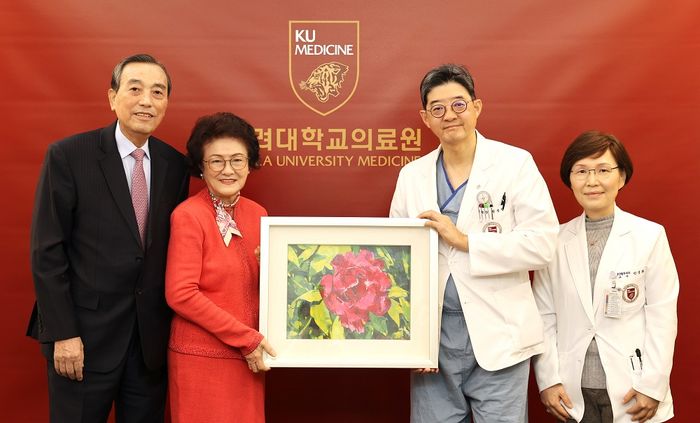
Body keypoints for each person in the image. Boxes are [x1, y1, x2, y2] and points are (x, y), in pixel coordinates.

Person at [390, 63, 559, 422]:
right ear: (425, 118)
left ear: (476, 107)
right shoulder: (412, 176)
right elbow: (399, 264)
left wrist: (466, 241)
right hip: (435, 341)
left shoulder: (515, 164)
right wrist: (413, 341)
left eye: (459, 104)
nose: (449, 115)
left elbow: (543, 244)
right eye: (438, 108)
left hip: (501, 334)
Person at [27, 53, 190, 422]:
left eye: (158, 92)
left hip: (148, 349)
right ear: (112, 97)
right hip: (82, 342)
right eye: (135, 89)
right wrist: (63, 333)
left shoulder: (175, 165)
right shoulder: (69, 156)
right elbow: (46, 252)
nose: (147, 100)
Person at [532, 131, 678, 423]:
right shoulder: (554, 241)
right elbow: (544, 317)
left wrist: (652, 386)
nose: (592, 181)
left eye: (603, 170)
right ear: (570, 179)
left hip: (633, 387)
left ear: (621, 177)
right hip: (573, 390)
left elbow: (662, 316)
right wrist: (548, 380)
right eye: (581, 171)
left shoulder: (649, 236)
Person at [165, 112, 276, 423]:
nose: (228, 170)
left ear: (250, 164)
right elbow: (181, 294)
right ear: (201, 167)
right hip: (201, 358)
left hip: (249, 357)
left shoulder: (258, 213)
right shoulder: (188, 215)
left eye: (237, 160)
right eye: (216, 161)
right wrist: (246, 338)